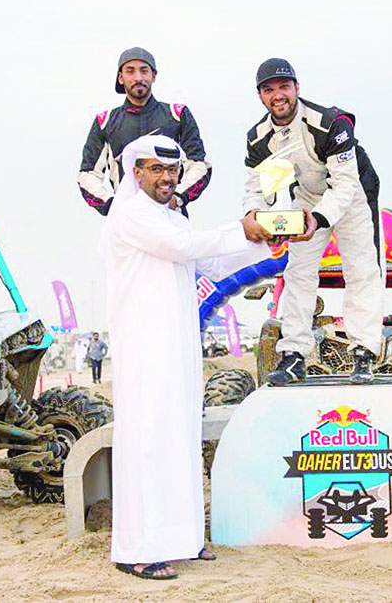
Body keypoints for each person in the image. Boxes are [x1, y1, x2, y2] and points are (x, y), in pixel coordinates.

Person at [100, 134, 269, 580]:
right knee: (149, 439)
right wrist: (241, 229)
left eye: (172, 171)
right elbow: (186, 248)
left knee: (178, 437)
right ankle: (138, 549)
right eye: (156, 169)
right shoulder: (133, 214)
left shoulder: (167, 217)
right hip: (145, 348)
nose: (166, 178)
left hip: (177, 346)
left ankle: (184, 540)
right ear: (136, 173)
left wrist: (268, 237)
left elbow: (209, 263)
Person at [240, 58, 384, 386]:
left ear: (297, 88)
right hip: (305, 197)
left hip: (353, 193)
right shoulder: (257, 137)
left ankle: (363, 352)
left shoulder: (331, 122)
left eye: (284, 87)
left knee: (361, 270)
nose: (278, 95)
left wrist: (318, 219)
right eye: (269, 90)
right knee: (298, 272)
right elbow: (256, 188)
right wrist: (253, 217)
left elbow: (345, 183)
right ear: (261, 96)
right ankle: (293, 355)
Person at [78, 47, 212, 216]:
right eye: (130, 71)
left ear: (154, 75)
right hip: (126, 221)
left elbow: (200, 165)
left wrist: (177, 198)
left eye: (144, 71)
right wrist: (112, 205)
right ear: (121, 77)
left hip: (171, 218)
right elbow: (87, 175)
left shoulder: (177, 114)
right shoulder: (105, 121)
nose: (138, 78)